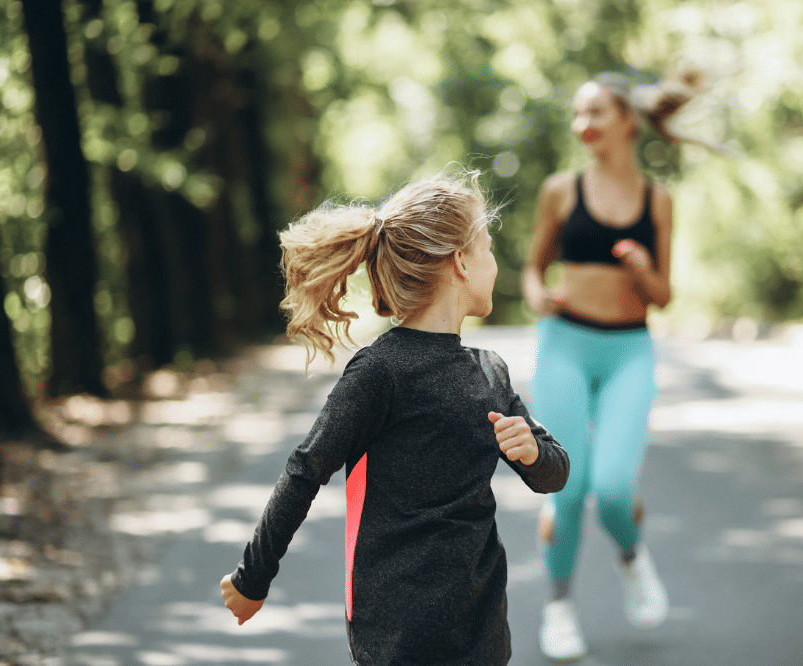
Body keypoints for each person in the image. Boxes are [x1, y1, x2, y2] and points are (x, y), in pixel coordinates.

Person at [219, 171, 570, 666]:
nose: (495, 262)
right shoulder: (380, 371)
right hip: (394, 630)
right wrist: (253, 576)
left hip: (481, 627)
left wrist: (534, 453)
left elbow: (554, 474)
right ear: (462, 263)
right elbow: (306, 469)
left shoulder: (490, 372)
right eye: (488, 248)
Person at [522, 68, 709, 660]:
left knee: (610, 487)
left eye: (596, 113)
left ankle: (632, 557)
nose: (584, 125)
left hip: (629, 350)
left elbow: (663, 294)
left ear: (628, 121)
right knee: (568, 488)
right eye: (578, 114)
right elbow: (532, 268)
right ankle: (558, 608)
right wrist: (537, 296)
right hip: (565, 346)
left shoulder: (657, 199)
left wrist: (639, 268)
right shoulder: (560, 189)